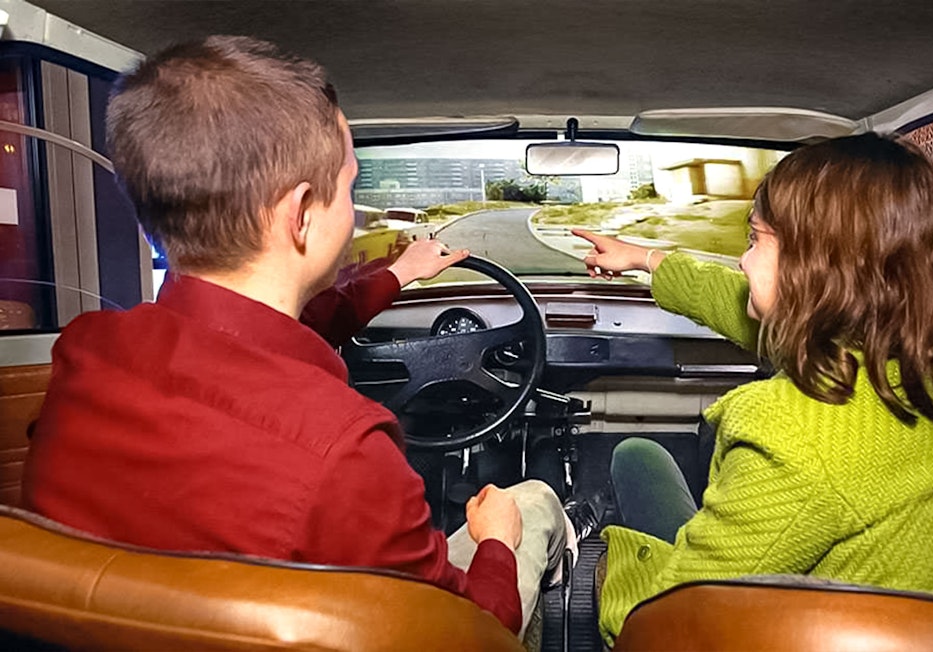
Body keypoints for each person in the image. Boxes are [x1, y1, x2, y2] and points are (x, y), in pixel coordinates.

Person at [21, 35, 566, 637]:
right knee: (531, 504)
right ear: (302, 211)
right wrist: (496, 544)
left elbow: (270, 328)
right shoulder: (348, 454)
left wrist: (401, 272)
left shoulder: (85, 353)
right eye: (349, 184)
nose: (353, 211)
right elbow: (469, 631)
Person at [573, 132, 933, 644]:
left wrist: (605, 586)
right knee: (638, 455)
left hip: (747, 625)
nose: (742, 261)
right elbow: (742, 303)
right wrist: (644, 259)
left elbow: (672, 629)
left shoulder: (797, 434)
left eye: (756, 239)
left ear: (816, 269)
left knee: (620, 523)